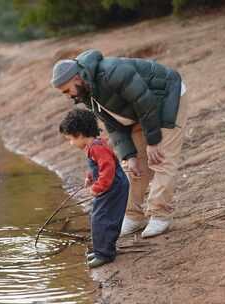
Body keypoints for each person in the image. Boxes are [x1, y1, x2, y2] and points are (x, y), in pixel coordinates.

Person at [51, 49, 189, 238]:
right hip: (139, 111)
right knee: (133, 166)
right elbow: (112, 124)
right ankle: (133, 216)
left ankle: (160, 215)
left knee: (161, 159)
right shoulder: (87, 92)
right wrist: (129, 155)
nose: (69, 96)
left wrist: (153, 141)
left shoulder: (112, 72)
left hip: (166, 99)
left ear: (77, 78)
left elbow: (145, 102)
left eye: (67, 90)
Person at [59, 109, 129, 268]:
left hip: (113, 187)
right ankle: (102, 250)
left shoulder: (97, 148)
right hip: (110, 186)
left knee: (102, 219)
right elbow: (98, 166)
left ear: (79, 134)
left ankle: (105, 254)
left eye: (70, 139)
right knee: (98, 217)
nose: (71, 143)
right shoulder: (94, 145)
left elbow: (108, 169)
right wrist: (91, 177)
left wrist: (97, 187)